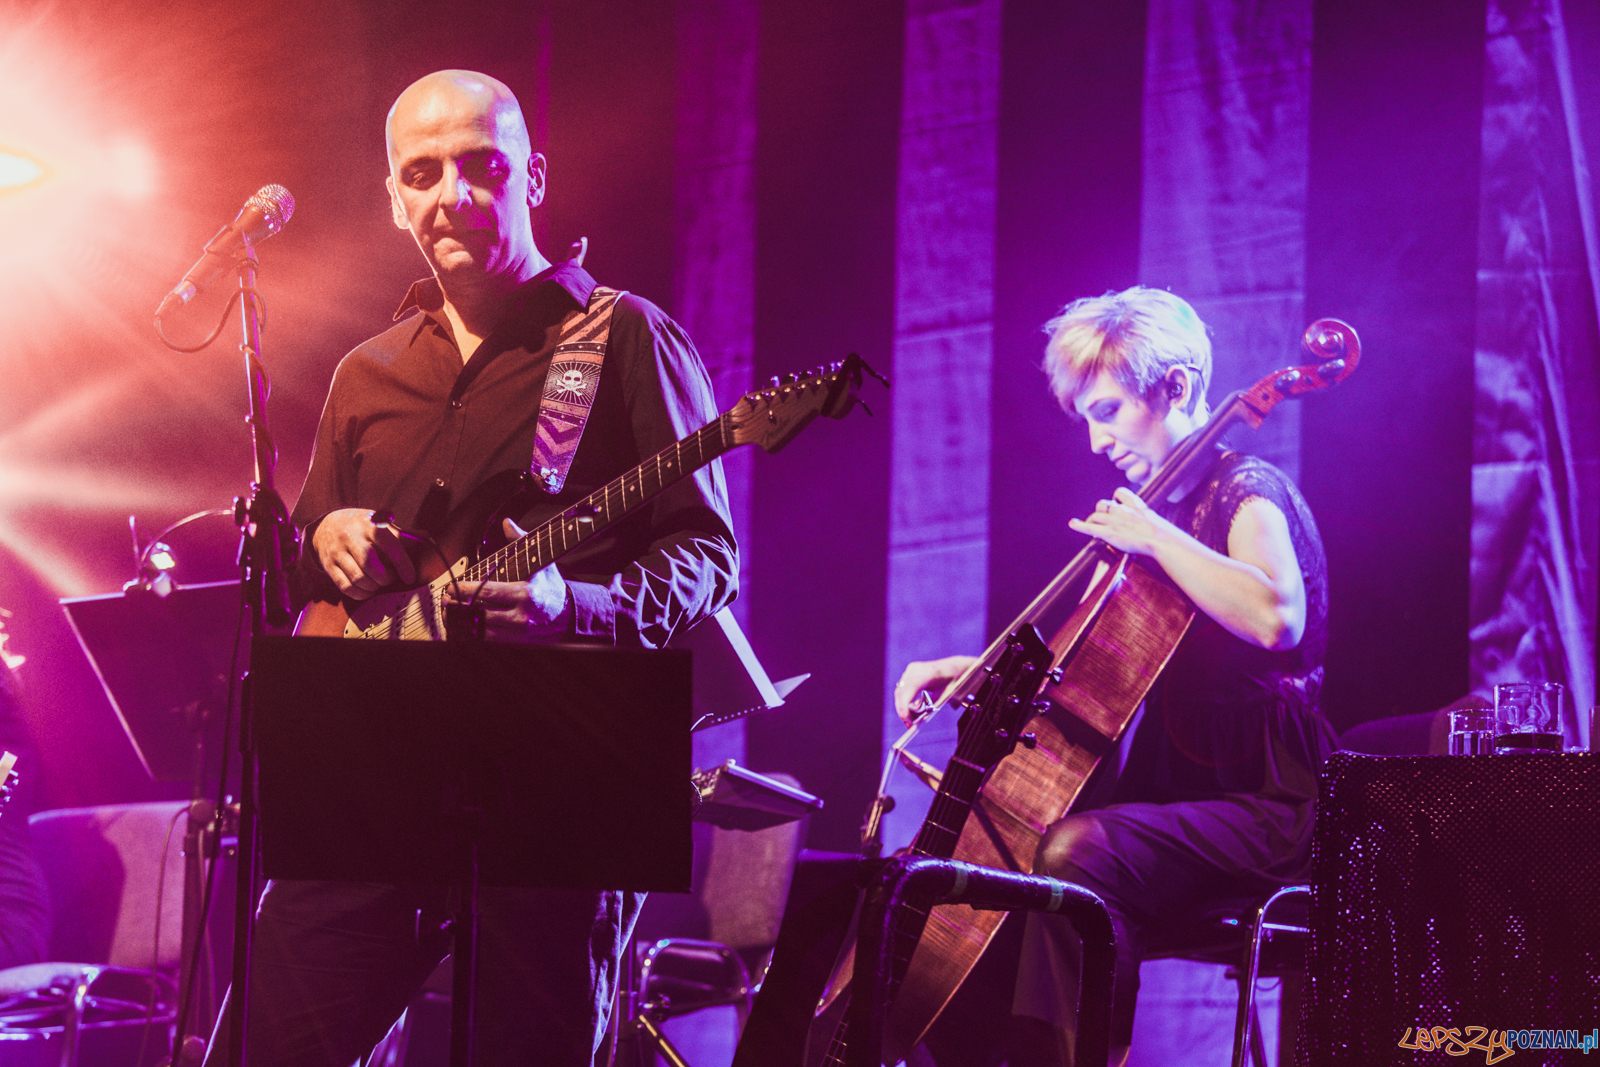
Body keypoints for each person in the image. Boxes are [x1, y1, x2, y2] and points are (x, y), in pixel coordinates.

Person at [202, 70, 737, 1067]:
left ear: (532, 177)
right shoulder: (367, 373)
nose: (453, 193)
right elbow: (299, 574)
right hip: (371, 782)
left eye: (482, 166)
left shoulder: (624, 335)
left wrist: (576, 604)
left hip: (559, 790)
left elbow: (708, 554)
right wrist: (323, 539)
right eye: (422, 172)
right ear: (392, 199)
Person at [894, 287, 1333, 1066]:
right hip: (1183, 803)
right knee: (993, 867)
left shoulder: (1246, 492)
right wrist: (979, 670)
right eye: (1087, 418)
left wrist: (1155, 536)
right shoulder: (1162, 518)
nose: (1097, 440)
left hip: (1277, 806)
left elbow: (1277, 616)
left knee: (1076, 854)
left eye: (1107, 410)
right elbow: (1086, 667)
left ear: (1175, 387)